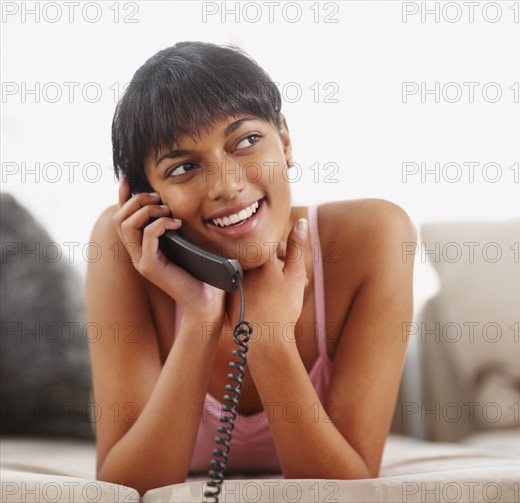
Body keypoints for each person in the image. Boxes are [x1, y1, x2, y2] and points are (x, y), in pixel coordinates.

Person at [86, 41, 416, 496]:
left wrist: (269, 339)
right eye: (183, 167)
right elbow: (125, 486)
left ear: (284, 139)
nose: (228, 186)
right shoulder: (122, 248)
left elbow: (348, 488)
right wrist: (201, 314)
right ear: (145, 198)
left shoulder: (376, 237)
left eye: (245, 141)